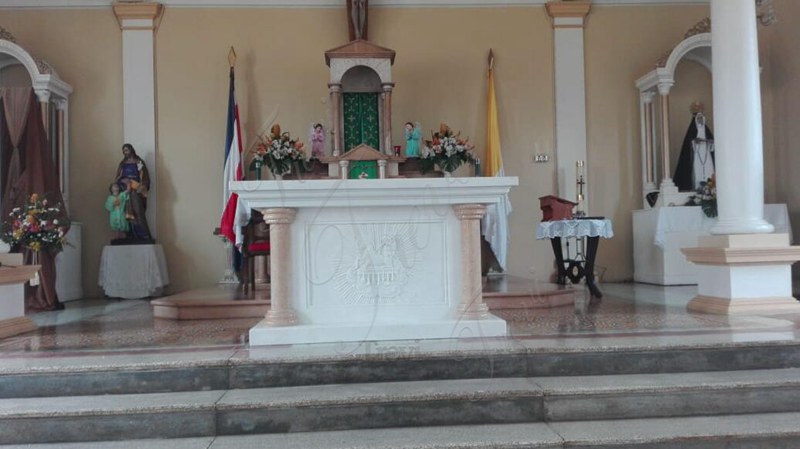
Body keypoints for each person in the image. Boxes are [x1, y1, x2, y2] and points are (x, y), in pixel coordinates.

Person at [114, 143, 152, 241]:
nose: (125, 152)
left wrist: (142, 186)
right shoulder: (122, 164)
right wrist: (123, 181)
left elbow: (145, 177)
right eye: (123, 151)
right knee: (125, 213)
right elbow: (117, 178)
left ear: (131, 150)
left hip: (136, 190)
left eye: (126, 150)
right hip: (125, 190)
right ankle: (129, 234)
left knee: (138, 210)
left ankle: (143, 234)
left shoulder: (139, 162)